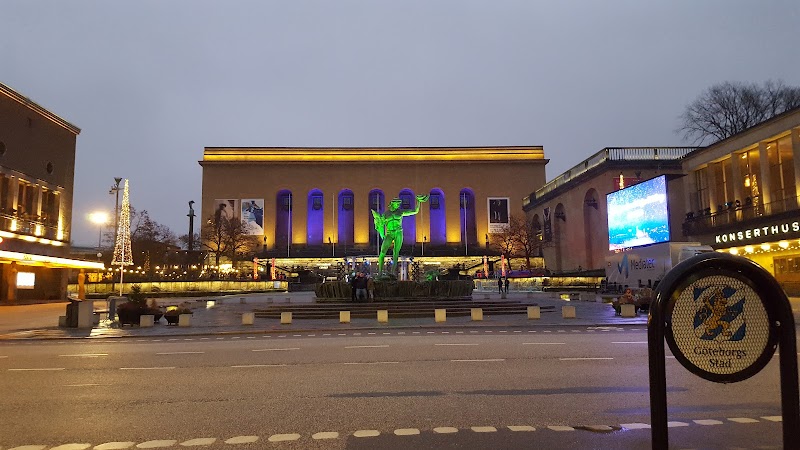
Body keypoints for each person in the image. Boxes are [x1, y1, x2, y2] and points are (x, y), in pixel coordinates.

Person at [372, 194, 429, 275]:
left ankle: (392, 273)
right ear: (392, 203)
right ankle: (380, 273)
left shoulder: (400, 212)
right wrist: (382, 234)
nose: (398, 205)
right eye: (397, 204)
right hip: (389, 233)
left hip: (399, 232)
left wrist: (418, 201)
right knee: (382, 252)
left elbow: (415, 211)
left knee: (396, 252)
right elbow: (381, 225)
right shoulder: (386, 214)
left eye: (399, 204)